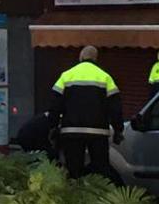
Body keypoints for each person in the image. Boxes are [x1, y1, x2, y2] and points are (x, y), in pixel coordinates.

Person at [48, 46, 124, 180]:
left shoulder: (66, 76)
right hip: (98, 133)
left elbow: (55, 104)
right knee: (100, 172)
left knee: (73, 170)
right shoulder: (105, 77)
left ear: (81, 57)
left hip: (71, 131)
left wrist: (53, 126)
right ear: (96, 58)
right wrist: (118, 130)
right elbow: (115, 107)